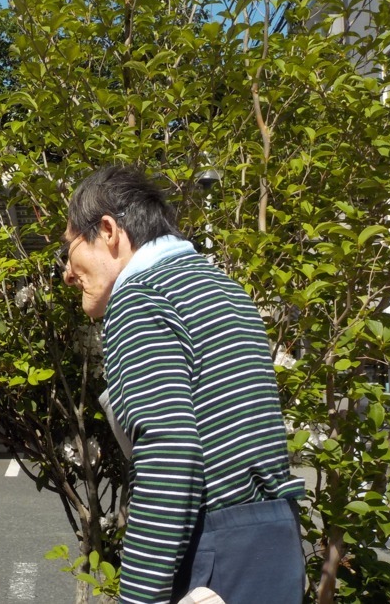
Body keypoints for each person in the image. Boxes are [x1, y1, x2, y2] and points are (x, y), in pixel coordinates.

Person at [61, 165, 305, 604]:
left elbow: (169, 448)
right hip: (274, 541)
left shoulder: (140, 296)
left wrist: (138, 597)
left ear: (109, 230)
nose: (66, 272)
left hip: (215, 558)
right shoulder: (222, 288)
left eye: (69, 247)